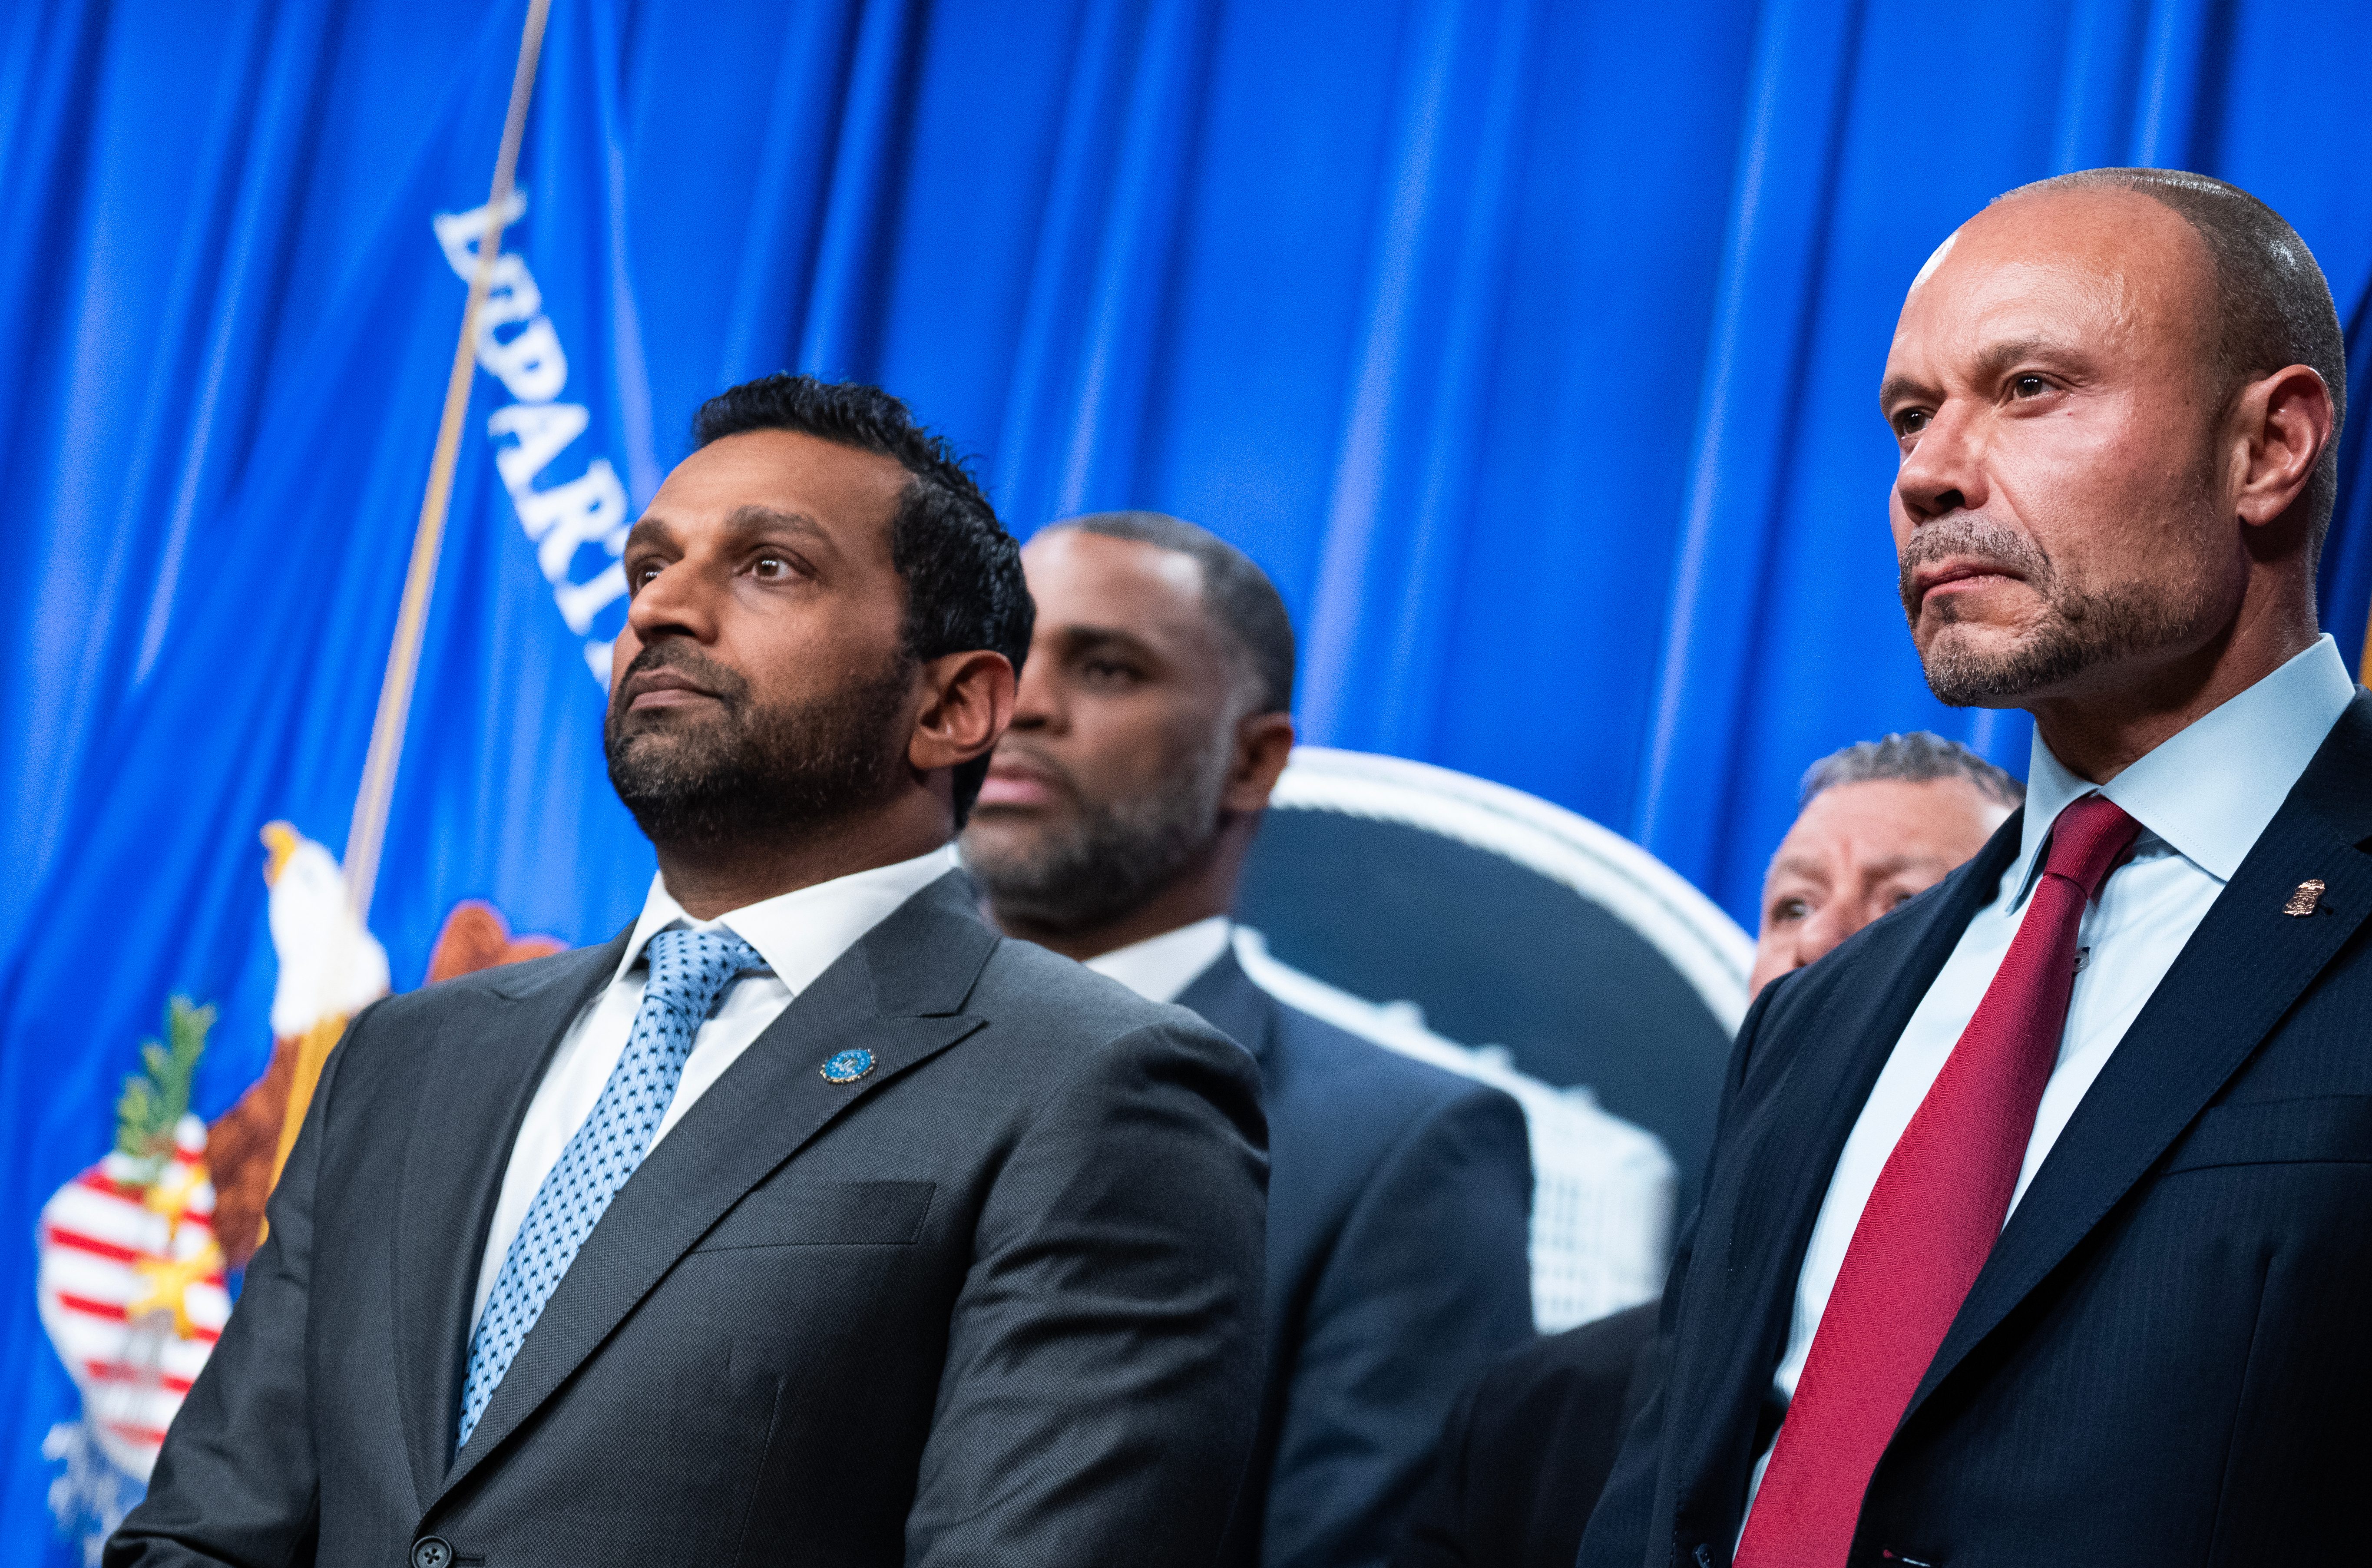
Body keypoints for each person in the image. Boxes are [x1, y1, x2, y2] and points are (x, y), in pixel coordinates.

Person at [1581, 169, 2372, 1567]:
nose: (1927, 473)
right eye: (1913, 416)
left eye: (2029, 387)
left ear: (2269, 448)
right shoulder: (1815, 1022)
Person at [109, 377, 1270, 1568]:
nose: (665, 610)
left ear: (954, 705)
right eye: (647, 569)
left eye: (769, 566)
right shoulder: (406, 1056)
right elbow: (208, 1537)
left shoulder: (1100, 1088)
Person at [959, 510, 1537, 1568]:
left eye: (1106, 666)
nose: (1023, 706)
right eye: (1004, 656)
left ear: (1253, 758)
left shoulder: (1407, 1148)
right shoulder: (819, 1049)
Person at [1396, 732, 2015, 1568]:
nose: (1816, 941)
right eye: (1792, 906)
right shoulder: (1532, 1417)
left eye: (1903, 903)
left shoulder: (2077, 1384)